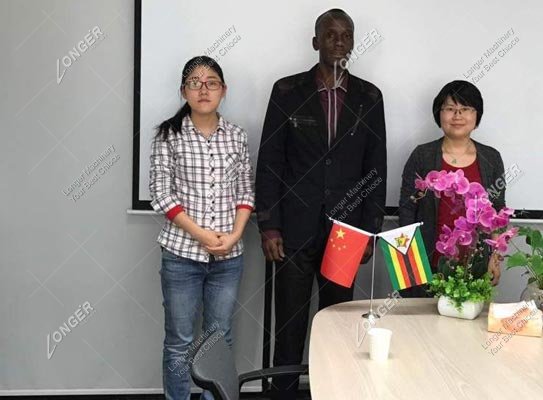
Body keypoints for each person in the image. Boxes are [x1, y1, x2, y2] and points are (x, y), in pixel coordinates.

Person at [255, 9, 387, 399]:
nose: (339, 41)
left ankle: (336, 392)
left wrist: (369, 230)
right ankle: (282, 393)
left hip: (347, 234)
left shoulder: (369, 96)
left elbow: (374, 169)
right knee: (289, 327)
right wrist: (268, 225)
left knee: (339, 325)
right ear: (316, 42)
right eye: (330, 35)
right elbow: (270, 162)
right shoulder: (286, 92)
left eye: (346, 35)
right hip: (293, 231)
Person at [149, 56, 254, 400]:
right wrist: (202, 236)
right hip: (181, 255)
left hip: (228, 257)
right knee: (179, 342)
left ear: (223, 90)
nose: (203, 89)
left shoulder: (237, 136)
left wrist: (235, 235)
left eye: (211, 82)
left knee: (218, 338)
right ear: (183, 91)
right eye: (195, 82)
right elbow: (161, 195)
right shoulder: (168, 135)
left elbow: (245, 191)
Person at [398, 80, 505, 297]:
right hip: (426, 264)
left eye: (465, 109)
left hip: (475, 267)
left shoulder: (491, 158)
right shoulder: (422, 155)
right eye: (450, 109)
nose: (457, 115)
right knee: (420, 329)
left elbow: (497, 212)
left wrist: (494, 258)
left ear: (477, 116)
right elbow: (407, 210)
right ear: (439, 114)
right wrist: (409, 264)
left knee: (468, 328)